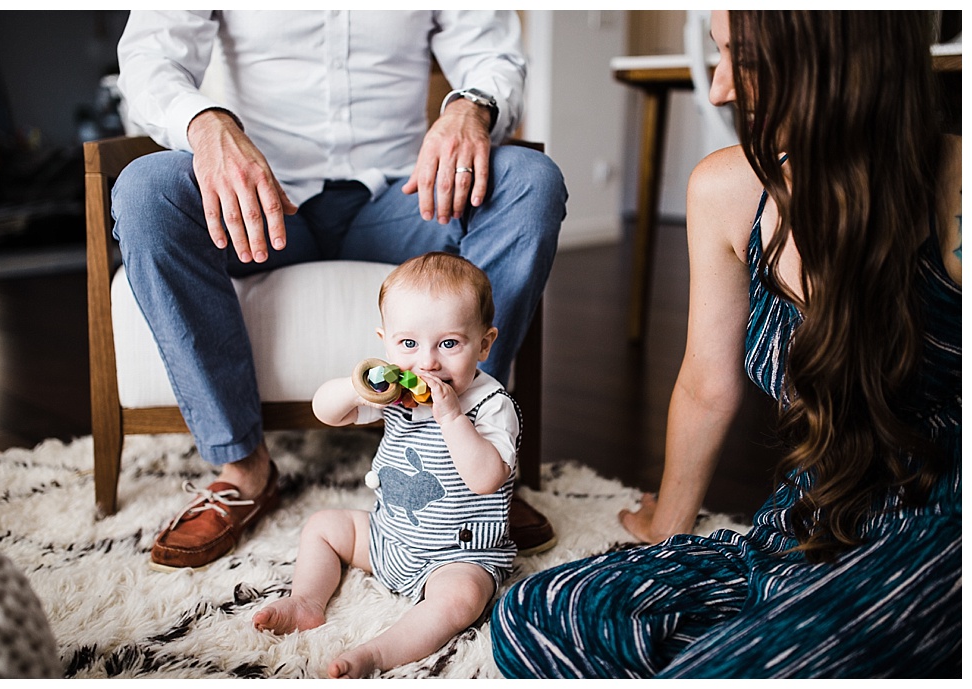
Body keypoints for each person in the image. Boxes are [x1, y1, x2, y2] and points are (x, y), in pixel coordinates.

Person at [491, 10, 960, 678]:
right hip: (810, 520)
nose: (717, 89)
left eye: (744, 58)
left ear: (837, 53)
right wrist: (665, 526)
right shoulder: (728, 191)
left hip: (941, 526)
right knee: (537, 614)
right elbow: (707, 385)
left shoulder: (956, 189)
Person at [111, 11, 566, 572]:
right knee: (145, 191)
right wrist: (204, 123)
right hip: (262, 202)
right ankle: (242, 465)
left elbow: (494, 54)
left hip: (406, 198)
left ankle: (478, 464)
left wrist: (471, 106)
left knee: (532, 181)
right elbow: (149, 58)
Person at [252, 252, 521, 678]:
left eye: (449, 344)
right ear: (387, 342)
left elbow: (486, 478)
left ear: (484, 344)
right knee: (323, 524)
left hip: (458, 554)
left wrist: (451, 417)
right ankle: (306, 601)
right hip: (387, 537)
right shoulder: (395, 391)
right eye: (408, 344)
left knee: (462, 600)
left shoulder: (491, 405)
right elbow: (326, 412)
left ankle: (378, 653)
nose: (427, 362)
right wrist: (358, 389)